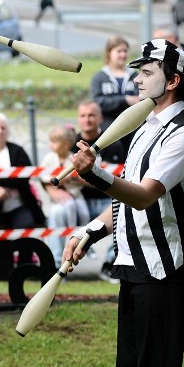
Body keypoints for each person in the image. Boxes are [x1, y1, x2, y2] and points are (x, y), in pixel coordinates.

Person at [63, 39, 184, 367]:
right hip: (135, 263)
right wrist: (90, 231)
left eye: (147, 73)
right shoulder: (144, 127)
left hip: (171, 268)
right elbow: (124, 199)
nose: (138, 79)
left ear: (173, 80)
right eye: (138, 72)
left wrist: (94, 174)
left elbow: (144, 196)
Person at [72, 99, 126, 283]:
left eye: (91, 115)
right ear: (78, 119)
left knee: (122, 214)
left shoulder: (113, 143)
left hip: (107, 200)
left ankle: (110, 264)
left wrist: (83, 177)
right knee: (58, 212)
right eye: (83, 115)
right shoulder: (72, 144)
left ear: (101, 118)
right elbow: (57, 176)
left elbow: (118, 178)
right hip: (79, 200)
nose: (87, 120)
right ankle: (58, 264)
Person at [39, 125, 89, 267]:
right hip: (60, 199)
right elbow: (42, 175)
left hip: (74, 194)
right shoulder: (49, 157)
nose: (51, 145)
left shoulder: (72, 158)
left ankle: (81, 240)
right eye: (51, 141)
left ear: (67, 144)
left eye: (55, 142)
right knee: (66, 207)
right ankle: (57, 258)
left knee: (84, 214)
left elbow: (79, 177)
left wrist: (72, 178)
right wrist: (54, 180)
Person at [90, 36, 139, 151]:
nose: (123, 54)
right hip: (108, 131)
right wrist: (125, 100)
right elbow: (97, 103)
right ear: (109, 53)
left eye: (125, 51)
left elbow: (142, 100)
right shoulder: (99, 77)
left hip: (132, 129)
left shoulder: (135, 76)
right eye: (119, 51)